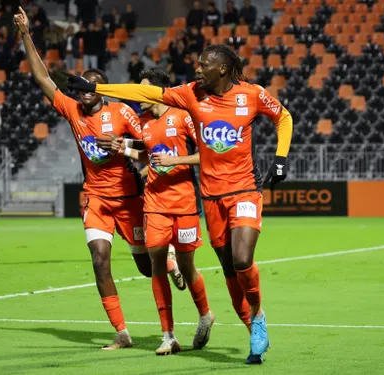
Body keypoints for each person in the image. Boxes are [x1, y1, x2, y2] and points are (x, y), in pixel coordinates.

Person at [65, 44, 293, 364]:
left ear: (223, 70)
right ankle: (249, 322)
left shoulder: (252, 94)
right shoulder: (189, 94)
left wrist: (281, 158)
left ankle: (256, 318)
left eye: (203, 65)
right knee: (229, 267)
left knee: (242, 260)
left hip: (244, 189)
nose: (197, 70)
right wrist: (95, 88)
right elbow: (140, 92)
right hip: (211, 196)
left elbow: (283, 116)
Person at [13, 6, 185, 350]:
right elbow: (43, 78)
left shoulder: (121, 112)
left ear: (103, 89)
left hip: (129, 199)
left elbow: (149, 145)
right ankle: (122, 333)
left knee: (144, 266)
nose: (84, 91)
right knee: (99, 260)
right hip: (96, 200)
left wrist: (123, 145)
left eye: (91, 86)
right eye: (81, 87)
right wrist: (26, 35)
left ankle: (171, 262)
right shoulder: (72, 110)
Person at [106, 68, 214, 355]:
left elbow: (208, 152)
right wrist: (125, 150)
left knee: (187, 265)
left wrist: (175, 159)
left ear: (157, 91)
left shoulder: (183, 116)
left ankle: (205, 314)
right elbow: (147, 154)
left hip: (185, 203)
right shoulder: (142, 123)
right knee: (156, 264)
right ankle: (168, 335)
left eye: (143, 91)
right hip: (154, 203)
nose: (138, 98)